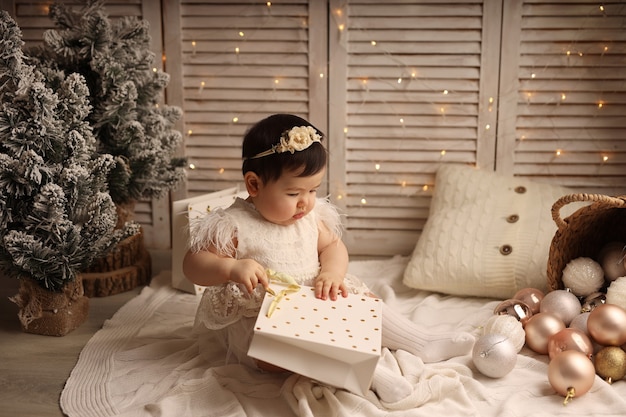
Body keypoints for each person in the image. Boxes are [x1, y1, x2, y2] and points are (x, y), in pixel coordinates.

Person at [183, 114, 475, 403]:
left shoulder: (309, 217)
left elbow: (333, 247)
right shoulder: (235, 224)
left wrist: (333, 272)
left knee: (365, 302)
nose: (306, 201)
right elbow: (194, 264)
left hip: (314, 298)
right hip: (265, 317)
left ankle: (419, 340)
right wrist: (231, 267)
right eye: (294, 192)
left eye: (313, 190)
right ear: (254, 185)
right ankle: (369, 374)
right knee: (292, 352)